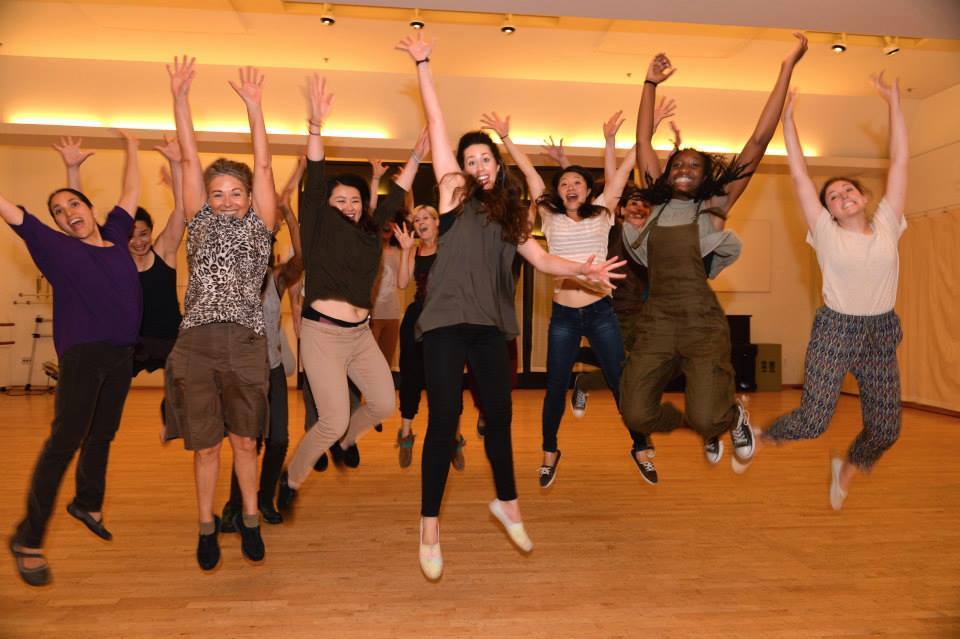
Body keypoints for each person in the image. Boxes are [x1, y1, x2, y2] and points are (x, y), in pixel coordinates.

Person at [396, 33, 625, 580]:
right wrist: (426, 63)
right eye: (468, 159)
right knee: (444, 418)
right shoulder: (451, 194)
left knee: (499, 420)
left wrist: (586, 269)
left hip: (491, 329)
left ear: (496, 167)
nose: (475, 165)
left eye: (484, 159)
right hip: (446, 328)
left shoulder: (511, 215)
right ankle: (429, 525)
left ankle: (509, 504)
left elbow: (544, 264)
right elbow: (439, 120)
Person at [619, 34, 808, 475]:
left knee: (709, 416)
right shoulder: (656, 204)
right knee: (637, 415)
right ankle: (698, 423)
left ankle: (726, 418)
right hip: (658, 321)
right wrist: (648, 83)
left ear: (706, 177)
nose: (684, 169)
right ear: (666, 173)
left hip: (701, 321)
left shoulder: (715, 205)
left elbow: (759, 140)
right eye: (678, 164)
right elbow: (642, 138)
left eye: (694, 166)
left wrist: (786, 69)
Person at [749, 73, 907, 510]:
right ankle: (760, 437)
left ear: (863, 196)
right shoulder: (824, 232)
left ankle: (848, 469)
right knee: (814, 420)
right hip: (836, 330)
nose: (841, 197)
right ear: (829, 212)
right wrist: (788, 122)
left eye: (848, 190)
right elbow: (800, 177)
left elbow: (899, 163)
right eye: (833, 197)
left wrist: (894, 103)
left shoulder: (889, 225)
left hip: (880, 332)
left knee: (886, 428)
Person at [276, 75, 421, 514]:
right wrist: (316, 128)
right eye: (339, 200)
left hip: (358, 335)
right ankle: (291, 477)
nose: (348, 205)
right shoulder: (317, 227)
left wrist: (417, 155)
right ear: (326, 204)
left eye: (354, 200)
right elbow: (316, 177)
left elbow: (394, 197)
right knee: (332, 417)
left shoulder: (370, 234)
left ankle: (344, 444)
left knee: (383, 403)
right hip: (321, 334)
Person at [3, 131, 142, 587]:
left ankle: (86, 502)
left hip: (122, 355)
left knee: (103, 433)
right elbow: (13, 213)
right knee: (64, 442)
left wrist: (134, 145)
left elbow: (130, 192)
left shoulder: (118, 235)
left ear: (90, 209)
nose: (67, 214)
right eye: (59, 212)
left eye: (73, 205)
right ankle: (29, 537)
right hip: (84, 356)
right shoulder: (55, 248)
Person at [162, 58, 277, 571]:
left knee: (246, 440)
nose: (227, 200)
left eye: (236, 192)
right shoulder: (199, 221)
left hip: (247, 341)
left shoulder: (261, 225)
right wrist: (180, 99)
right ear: (205, 199)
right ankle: (207, 527)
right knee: (205, 447)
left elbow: (267, 165)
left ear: (250, 197)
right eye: (218, 193)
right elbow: (189, 159)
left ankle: (249, 519)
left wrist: (255, 108)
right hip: (196, 342)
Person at [53, 136, 186, 383]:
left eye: (144, 234)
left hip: (169, 338)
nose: (138, 241)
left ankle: (171, 423)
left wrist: (177, 164)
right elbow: (80, 219)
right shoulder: (111, 257)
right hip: (127, 339)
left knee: (183, 394)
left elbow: (180, 209)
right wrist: (73, 169)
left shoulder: (164, 252)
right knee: (101, 385)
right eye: (131, 236)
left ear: (152, 232)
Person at [221, 158, 305, 529]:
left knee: (279, 439)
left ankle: (267, 500)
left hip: (271, 368)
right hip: (241, 373)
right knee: (246, 442)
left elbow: (303, 258)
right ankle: (234, 505)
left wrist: (289, 216)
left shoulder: (278, 279)